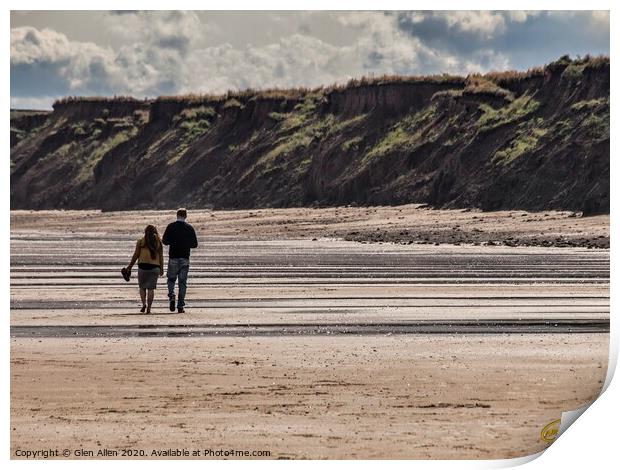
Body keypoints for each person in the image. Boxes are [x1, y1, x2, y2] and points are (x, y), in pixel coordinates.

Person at [162, 208, 198, 313]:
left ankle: (171, 295)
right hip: (185, 258)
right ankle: (180, 305)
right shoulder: (189, 228)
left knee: (171, 279)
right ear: (185, 216)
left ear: (177, 215)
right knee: (182, 282)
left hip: (173, 257)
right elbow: (194, 244)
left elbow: (164, 241)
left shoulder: (171, 226)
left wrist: (173, 242)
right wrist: (185, 243)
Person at [125, 225, 164, 314]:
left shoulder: (141, 242)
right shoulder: (159, 243)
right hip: (155, 267)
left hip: (142, 267)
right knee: (151, 288)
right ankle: (149, 308)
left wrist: (129, 267)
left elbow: (136, 255)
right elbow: (161, 257)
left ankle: (143, 304)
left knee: (142, 287)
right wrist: (161, 268)